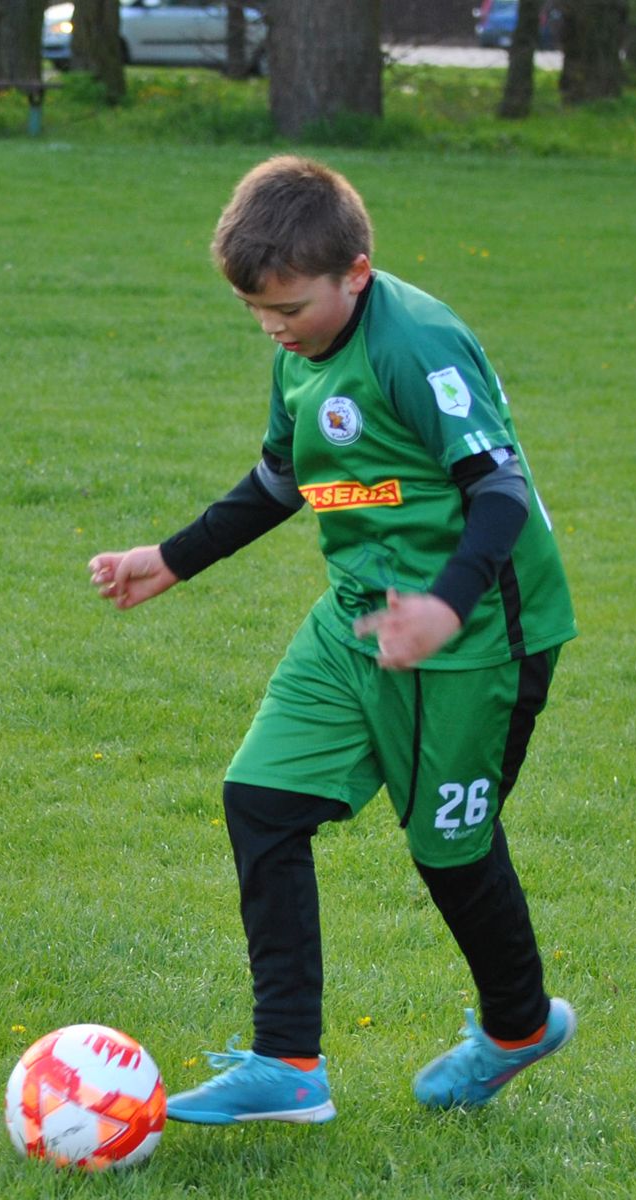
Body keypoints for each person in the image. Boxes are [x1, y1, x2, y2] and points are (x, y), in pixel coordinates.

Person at [89, 155, 577, 1123]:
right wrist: (171, 557)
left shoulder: (419, 345)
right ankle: (286, 1063)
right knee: (259, 798)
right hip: (356, 616)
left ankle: (518, 1025)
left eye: (289, 309)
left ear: (353, 272)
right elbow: (282, 476)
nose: (273, 330)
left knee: (449, 850)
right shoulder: (297, 349)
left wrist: (441, 604)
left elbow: (497, 490)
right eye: (256, 313)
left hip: (478, 631)